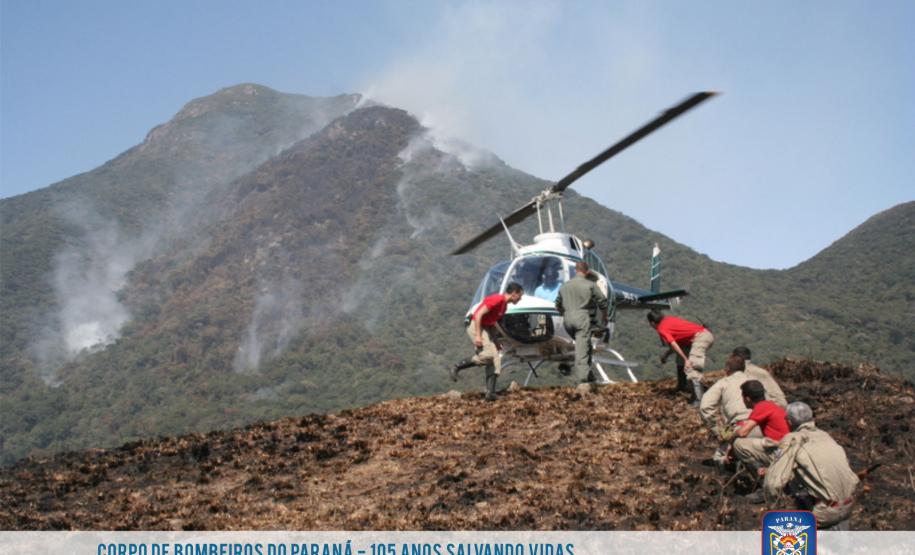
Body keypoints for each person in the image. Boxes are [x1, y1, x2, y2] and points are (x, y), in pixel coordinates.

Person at [763, 402, 860, 530]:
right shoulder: (824, 435)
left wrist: (773, 512)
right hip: (849, 504)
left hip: (825, 512)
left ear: (789, 422)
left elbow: (773, 484)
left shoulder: (792, 439)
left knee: (786, 536)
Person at [451, 282, 524, 401]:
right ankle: (458, 366)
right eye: (520, 295)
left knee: (496, 358)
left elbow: (491, 324)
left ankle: (490, 393)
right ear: (514, 294)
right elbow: (478, 315)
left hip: (484, 327)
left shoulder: (504, 306)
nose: (520, 299)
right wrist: (478, 336)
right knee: (489, 355)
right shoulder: (497, 299)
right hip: (475, 324)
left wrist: (495, 341)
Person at [700, 355, 761, 462]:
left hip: (737, 425)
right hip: (761, 425)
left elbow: (705, 407)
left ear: (727, 369)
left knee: (719, 457)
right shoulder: (756, 382)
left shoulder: (724, 383)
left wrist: (719, 430)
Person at [555, 261, 608, 383]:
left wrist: (566, 313)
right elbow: (603, 302)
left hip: (567, 321)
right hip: (581, 319)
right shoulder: (590, 285)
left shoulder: (564, 286)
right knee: (581, 351)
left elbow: (557, 305)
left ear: (575, 270)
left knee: (585, 345)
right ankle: (583, 381)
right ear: (587, 272)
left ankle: (588, 374)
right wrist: (604, 316)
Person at [647, 310, 714, 403]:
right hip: (697, 337)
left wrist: (686, 359)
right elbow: (678, 345)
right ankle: (682, 386)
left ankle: (698, 399)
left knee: (692, 366)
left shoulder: (661, 328)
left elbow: (673, 344)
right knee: (680, 360)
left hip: (701, 337)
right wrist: (666, 355)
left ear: (652, 323)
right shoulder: (668, 319)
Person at [731, 380, 790, 471]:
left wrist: (731, 437)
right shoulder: (771, 405)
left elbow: (743, 432)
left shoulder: (761, 407)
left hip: (779, 450)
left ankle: (761, 472)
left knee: (738, 444)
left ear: (747, 399)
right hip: (786, 446)